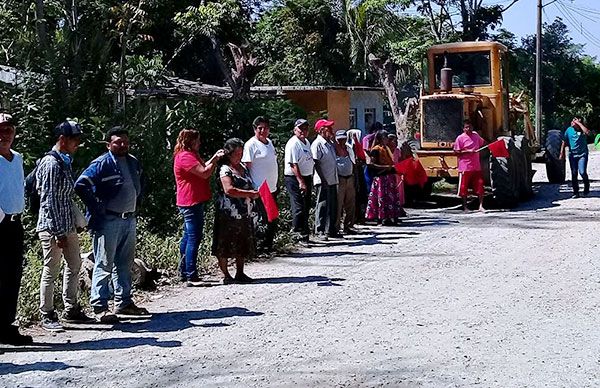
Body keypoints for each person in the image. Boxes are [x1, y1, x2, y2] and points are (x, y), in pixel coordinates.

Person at [75, 126, 149, 323]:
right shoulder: (102, 163)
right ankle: (100, 306)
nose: (122, 145)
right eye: (118, 142)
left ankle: (124, 302)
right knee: (104, 262)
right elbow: (81, 184)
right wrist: (96, 205)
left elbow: (139, 183)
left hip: (129, 219)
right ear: (108, 144)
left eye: (125, 141)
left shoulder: (133, 162)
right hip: (108, 220)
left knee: (124, 263)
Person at [37, 121, 93, 332]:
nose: (77, 143)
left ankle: (71, 309)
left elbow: (64, 197)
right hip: (52, 227)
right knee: (51, 269)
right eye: (74, 139)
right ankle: (47, 313)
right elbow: (49, 201)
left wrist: (73, 222)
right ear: (63, 140)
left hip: (66, 224)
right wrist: (58, 232)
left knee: (75, 264)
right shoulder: (51, 164)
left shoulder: (64, 161)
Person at [173, 129, 224, 285]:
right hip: (191, 201)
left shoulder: (191, 155)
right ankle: (191, 275)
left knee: (188, 237)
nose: (200, 143)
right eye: (197, 140)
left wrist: (214, 158)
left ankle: (185, 271)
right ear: (190, 141)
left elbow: (203, 167)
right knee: (194, 238)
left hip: (193, 200)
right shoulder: (184, 157)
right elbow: (204, 173)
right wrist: (215, 161)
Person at [0, 113, 33, 345]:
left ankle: (6, 326)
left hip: (15, 223)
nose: (5, 135)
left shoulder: (17, 158)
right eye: (1, 130)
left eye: (9, 130)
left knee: (12, 276)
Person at [212, 138, 260, 284]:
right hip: (228, 212)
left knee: (242, 241)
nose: (239, 156)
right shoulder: (225, 169)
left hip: (244, 211)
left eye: (241, 152)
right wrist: (249, 194)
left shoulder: (243, 168)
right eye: (236, 153)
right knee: (224, 242)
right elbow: (229, 190)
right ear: (229, 154)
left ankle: (240, 273)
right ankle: (226, 274)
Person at [242, 116, 278, 254]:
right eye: (260, 128)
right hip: (259, 187)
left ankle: (268, 245)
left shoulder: (269, 143)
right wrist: (251, 188)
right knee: (263, 219)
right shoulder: (251, 145)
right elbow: (247, 167)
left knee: (272, 217)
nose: (263, 131)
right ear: (255, 129)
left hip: (272, 186)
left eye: (266, 128)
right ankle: (259, 247)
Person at [284, 119, 315, 243]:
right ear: (295, 130)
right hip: (295, 178)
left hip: (306, 177)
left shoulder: (306, 142)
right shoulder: (293, 143)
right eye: (301, 128)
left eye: (306, 128)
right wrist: (300, 181)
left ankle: (304, 233)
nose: (303, 131)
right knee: (298, 207)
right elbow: (293, 164)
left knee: (306, 206)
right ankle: (296, 234)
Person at [365, 130, 404, 225]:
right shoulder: (375, 150)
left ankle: (391, 216)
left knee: (391, 198)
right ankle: (382, 218)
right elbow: (372, 164)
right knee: (382, 198)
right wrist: (386, 167)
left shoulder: (386, 148)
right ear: (380, 139)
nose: (387, 139)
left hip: (389, 177)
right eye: (385, 137)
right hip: (381, 178)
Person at [311, 119, 339, 240]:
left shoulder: (329, 143)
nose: (332, 131)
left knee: (332, 205)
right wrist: (323, 179)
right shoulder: (317, 144)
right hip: (323, 180)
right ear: (322, 130)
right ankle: (319, 230)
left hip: (332, 179)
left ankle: (331, 229)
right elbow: (315, 163)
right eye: (329, 129)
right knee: (322, 205)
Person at [453, 119, 485, 211]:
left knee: (480, 185)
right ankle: (465, 206)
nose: (468, 129)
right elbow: (456, 151)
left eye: (470, 127)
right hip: (465, 167)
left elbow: (482, 143)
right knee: (464, 187)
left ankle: (481, 206)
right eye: (466, 127)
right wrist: (468, 151)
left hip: (476, 166)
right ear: (463, 129)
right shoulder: (460, 138)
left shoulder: (476, 135)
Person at [560, 117, 590, 198]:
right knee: (574, 173)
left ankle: (586, 186)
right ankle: (575, 192)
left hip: (582, 154)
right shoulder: (569, 130)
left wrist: (579, 124)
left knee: (582, 172)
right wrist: (562, 153)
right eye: (572, 120)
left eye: (575, 121)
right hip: (573, 155)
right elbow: (564, 141)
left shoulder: (582, 130)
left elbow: (588, 133)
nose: (573, 122)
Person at [334, 130, 357, 235]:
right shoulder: (333, 149)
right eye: (340, 139)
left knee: (350, 204)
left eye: (343, 139)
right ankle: (336, 227)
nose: (342, 141)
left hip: (349, 178)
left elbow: (354, 162)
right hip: (339, 179)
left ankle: (348, 226)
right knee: (338, 205)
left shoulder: (349, 148)